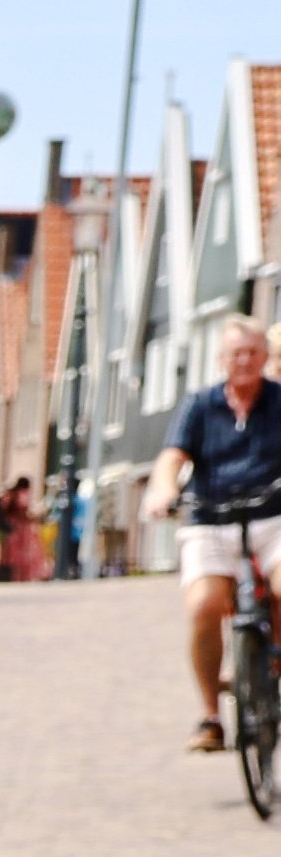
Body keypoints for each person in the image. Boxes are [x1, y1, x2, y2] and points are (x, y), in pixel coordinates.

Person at [152, 313, 281, 755]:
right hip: (211, 516)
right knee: (205, 606)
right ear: (221, 359)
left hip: (272, 516)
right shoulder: (200, 405)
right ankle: (210, 715)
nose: (244, 360)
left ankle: (275, 665)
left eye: (252, 352)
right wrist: (164, 490)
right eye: (235, 353)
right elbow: (172, 457)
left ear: (265, 357)